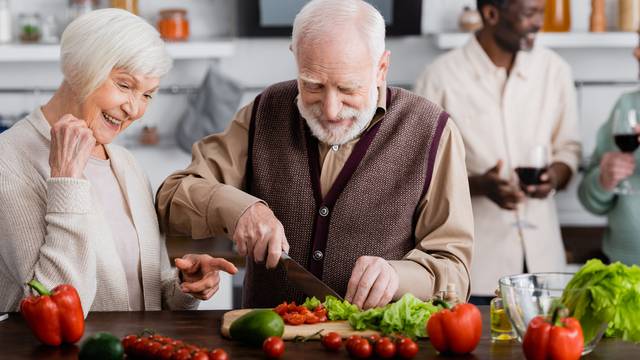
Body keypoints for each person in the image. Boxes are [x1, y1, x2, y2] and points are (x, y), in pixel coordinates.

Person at [156, 0, 473, 309]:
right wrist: (239, 209)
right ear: (296, 58)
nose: (331, 110)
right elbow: (173, 196)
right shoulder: (264, 112)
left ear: (381, 68)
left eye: (348, 89)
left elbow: (455, 271)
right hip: (267, 346)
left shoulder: (432, 131)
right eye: (313, 86)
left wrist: (398, 276)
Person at [0, 9, 237, 315]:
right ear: (76, 69)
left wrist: (180, 286)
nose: (135, 109)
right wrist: (67, 181)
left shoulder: (126, 163)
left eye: (148, 95)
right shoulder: (9, 161)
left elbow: (138, 293)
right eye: (124, 86)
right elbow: (54, 310)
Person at [414, 0, 581, 304]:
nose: (538, 23)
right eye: (530, 13)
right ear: (491, 14)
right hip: (475, 270)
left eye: (541, 12)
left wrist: (553, 177)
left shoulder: (555, 70)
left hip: (545, 265)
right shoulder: (440, 77)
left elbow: (568, 149)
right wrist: (478, 185)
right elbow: (420, 172)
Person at [578, 46, 640, 266]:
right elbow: (588, 198)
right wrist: (603, 180)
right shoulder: (627, 106)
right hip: (622, 269)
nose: (636, 53)